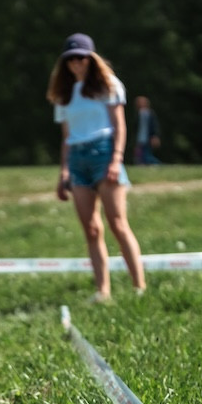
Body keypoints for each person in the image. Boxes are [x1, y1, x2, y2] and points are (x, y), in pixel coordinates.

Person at [47, 33, 146, 302]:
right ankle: (103, 291)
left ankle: (139, 287)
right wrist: (63, 172)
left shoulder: (108, 85)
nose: (76, 63)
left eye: (81, 58)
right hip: (77, 159)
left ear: (91, 59)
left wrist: (116, 159)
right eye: (71, 59)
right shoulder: (63, 95)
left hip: (103, 152)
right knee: (91, 229)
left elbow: (119, 125)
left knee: (117, 223)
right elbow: (66, 137)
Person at [133, 95, 162, 165]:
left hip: (147, 138)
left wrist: (155, 136)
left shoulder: (150, 113)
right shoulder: (138, 114)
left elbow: (154, 126)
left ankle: (157, 164)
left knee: (146, 154)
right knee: (140, 154)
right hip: (140, 138)